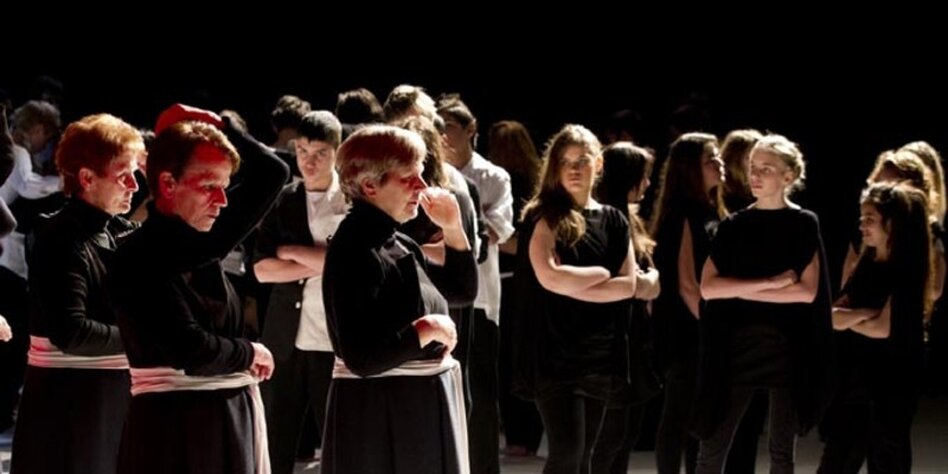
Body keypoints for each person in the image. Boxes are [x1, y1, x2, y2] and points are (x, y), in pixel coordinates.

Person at [110, 104, 288, 473]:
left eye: (225, 187)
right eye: (209, 186)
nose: (222, 201)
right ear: (167, 184)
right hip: (176, 431)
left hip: (222, 419)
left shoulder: (204, 242)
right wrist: (249, 351)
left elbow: (273, 173)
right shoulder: (140, 256)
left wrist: (219, 123)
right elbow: (189, 348)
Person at [320, 125, 476, 473]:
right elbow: (361, 357)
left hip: (411, 410)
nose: (422, 187)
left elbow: (461, 292)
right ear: (370, 186)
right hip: (382, 418)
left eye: (420, 175)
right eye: (408, 178)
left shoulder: (399, 242)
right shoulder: (353, 247)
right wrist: (426, 329)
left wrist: (453, 229)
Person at [10, 113, 144, 474]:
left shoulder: (115, 231)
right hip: (70, 410)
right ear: (86, 178)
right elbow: (71, 331)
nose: (135, 185)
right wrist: (146, 336)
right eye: (124, 174)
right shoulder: (59, 238)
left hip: (103, 400)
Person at [696, 134, 833, 473]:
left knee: (781, 451)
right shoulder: (734, 225)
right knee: (712, 444)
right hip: (739, 343)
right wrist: (769, 284)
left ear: (788, 176)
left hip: (787, 344)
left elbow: (806, 292)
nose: (755, 175)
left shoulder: (804, 222)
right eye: (753, 167)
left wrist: (738, 290)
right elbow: (708, 288)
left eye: (766, 169)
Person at [513, 124, 637, 473]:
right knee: (566, 451)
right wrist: (600, 274)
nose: (574, 169)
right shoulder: (543, 216)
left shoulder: (613, 219)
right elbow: (550, 278)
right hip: (553, 352)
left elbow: (628, 285)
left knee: (584, 456)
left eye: (582, 160)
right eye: (565, 162)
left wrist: (575, 283)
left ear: (598, 163)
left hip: (598, 352)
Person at [253, 110, 347, 474]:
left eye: (320, 152)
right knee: (274, 443)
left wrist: (291, 252)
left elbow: (354, 264)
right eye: (303, 151)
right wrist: (324, 260)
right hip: (285, 339)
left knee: (338, 443)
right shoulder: (285, 199)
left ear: (337, 152)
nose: (309, 161)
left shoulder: (352, 201)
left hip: (335, 339)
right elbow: (262, 270)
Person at [819, 182, 932, 473]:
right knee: (837, 460)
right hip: (855, 380)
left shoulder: (906, 271)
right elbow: (831, 318)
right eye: (861, 218)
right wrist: (866, 313)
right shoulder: (864, 266)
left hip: (892, 383)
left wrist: (852, 319)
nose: (862, 226)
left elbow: (882, 329)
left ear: (891, 224)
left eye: (869, 219)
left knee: (887, 459)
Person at [649, 132, 725, 474]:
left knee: (699, 413)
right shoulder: (681, 213)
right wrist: (711, 329)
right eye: (710, 159)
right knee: (678, 413)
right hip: (685, 328)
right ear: (691, 169)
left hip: (703, 323)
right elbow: (685, 283)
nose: (719, 163)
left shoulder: (712, 209)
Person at [591, 141, 662, 474]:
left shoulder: (631, 220)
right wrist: (645, 283)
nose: (647, 183)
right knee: (609, 439)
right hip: (612, 341)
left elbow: (650, 283)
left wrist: (647, 283)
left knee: (624, 437)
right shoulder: (607, 221)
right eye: (642, 176)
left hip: (634, 338)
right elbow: (632, 283)